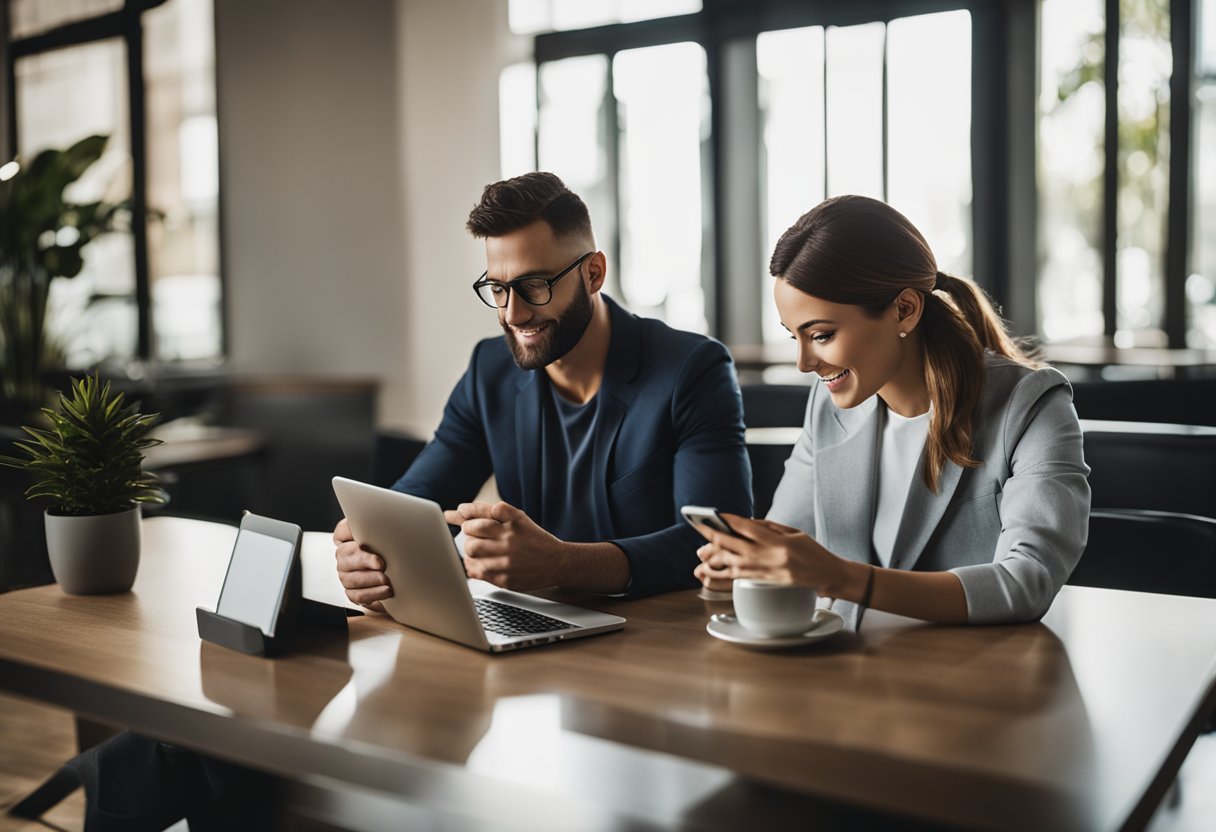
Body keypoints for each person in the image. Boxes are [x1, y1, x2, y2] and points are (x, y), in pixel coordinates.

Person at [337, 172, 752, 604]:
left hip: (662, 640)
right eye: (498, 288)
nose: (513, 314)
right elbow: (417, 501)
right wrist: (370, 548)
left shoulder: (692, 370)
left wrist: (563, 563)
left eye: (534, 286)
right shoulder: (489, 371)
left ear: (593, 273)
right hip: (539, 633)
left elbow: (719, 543)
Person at [693, 195, 1090, 627]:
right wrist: (742, 566)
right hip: (850, 670)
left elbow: (1026, 582)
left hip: (972, 679)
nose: (804, 363)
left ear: (904, 310)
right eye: (795, 337)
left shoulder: (1032, 405)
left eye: (822, 335)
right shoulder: (828, 405)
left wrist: (843, 578)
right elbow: (787, 538)